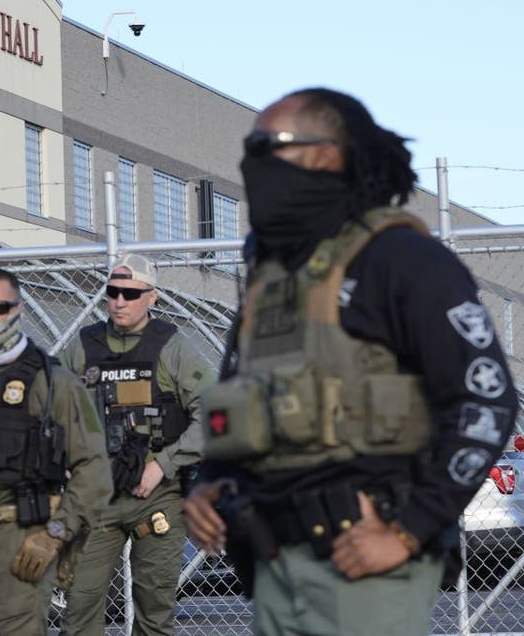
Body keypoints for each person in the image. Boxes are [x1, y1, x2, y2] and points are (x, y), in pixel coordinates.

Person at [184, 87, 519, 635]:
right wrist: (210, 481)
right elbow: (239, 396)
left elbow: (487, 400)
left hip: (364, 560)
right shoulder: (272, 271)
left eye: (266, 146)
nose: (251, 163)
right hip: (270, 554)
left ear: (325, 154)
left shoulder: (402, 258)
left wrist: (407, 530)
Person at [0, 267, 110, 635]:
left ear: (18, 308)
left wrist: (55, 533)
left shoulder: (53, 383)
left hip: (19, 539)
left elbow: (94, 470)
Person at [59, 253, 210, 636]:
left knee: (154, 613)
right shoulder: (84, 346)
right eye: (112, 292)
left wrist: (164, 464)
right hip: (98, 496)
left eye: (130, 293)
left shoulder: (172, 347)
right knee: (79, 607)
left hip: (156, 497)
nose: (119, 301)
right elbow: (48, 405)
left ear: (152, 297)